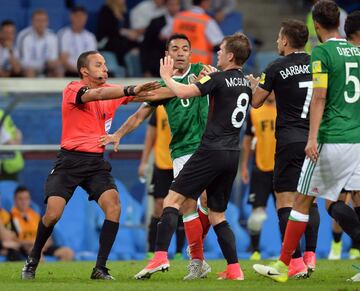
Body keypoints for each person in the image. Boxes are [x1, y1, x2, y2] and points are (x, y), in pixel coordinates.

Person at [20, 50, 160, 280]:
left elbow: (151, 94)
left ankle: (100, 268)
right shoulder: (73, 89)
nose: (105, 68)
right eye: (98, 64)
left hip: (95, 163)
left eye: (105, 63)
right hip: (69, 161)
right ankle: (33, 258)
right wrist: (131, 89)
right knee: (53, 214)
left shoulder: (111, 91)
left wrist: (181, 86)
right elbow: (97, 95)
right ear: (85, 70)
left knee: (114, 206)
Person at [253, 0, 360, 283]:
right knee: (353, 201)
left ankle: (283, 265)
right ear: (338, 21)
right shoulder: (358, 53)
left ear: (315, 24)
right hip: (357, 139)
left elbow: (320, 96)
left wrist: (313, 137)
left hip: (332, 137)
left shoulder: (321, 53)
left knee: (301, 200)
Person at [133, 32, 253, 281]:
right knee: (217, 214)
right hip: (233, 153)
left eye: (220, 50)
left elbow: (185, 93)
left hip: (209, 150)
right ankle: (234, 269)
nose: (216, 53)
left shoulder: (216, 78)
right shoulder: (244, 82)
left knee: (171, 201)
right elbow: (259, 100)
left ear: (230, 55)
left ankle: (160, 257)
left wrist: (166, 78)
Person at [100, 33, 214, 280]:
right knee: (188, 206)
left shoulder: (202, 72)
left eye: (185, 48)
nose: (181, 52)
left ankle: (192, 257)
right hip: (181, 150)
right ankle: (197, 260)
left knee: (207, 204)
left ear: (190, 53)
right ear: (168, 55)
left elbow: (218, 83)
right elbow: (140, 114)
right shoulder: (161, 84)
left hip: (207, 147)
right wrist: (118, 133)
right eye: (175, 48)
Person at [249, 19, 320, 278]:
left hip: (290, 141)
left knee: (285, 201)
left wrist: (253, 84)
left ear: (286, 41)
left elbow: (256, 103)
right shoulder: (318, 63)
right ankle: (310, 257)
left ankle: (295, 263)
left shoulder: (276, 66)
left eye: (279, 38)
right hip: (315, 139)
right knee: (310, 201)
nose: (278, 42)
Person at [139, 107, 185, 259]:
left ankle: (179, 252)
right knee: (158, 206)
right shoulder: (159, 108)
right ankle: (152, 250)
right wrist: (144, 162)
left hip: (181, 162)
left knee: (181, 207)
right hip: (161, 163)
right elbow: (150, 136)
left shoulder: (188, 103)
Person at [241, 94, 276, 261]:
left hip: (282, 169)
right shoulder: (255, 112)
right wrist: (244, 167)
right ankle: (254, 250)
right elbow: (247, 140)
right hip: (260, 168)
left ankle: (290, 251)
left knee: (286, 211)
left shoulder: (285, 108)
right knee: (257, 213)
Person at [10, 186, 74, 261]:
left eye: (26, 198)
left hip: (41, 246)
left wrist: (41, 246)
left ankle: (55, 272)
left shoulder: (36, 216)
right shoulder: (10, 217)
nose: (24, 202)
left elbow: (48, 237)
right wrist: (33, 244)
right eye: (20, 199)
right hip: (25, 248)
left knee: (68, 252)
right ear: (15, 200)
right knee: (37, 255)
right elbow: (11, 240)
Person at [170, 0, 223, 65]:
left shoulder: (179, 17)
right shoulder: (207, 21)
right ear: (204, 2)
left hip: (177, 64)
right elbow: (219, 43)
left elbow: (163, 35)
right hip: (197, 66)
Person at [140, 0, 181, 77]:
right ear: (166, 6)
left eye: (176, 4)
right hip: (157, 68)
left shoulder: (185, 22)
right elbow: (146, 46)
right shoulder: (156, 22)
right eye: (171, 4)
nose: (174, 7)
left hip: (180, 69)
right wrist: (146, 70)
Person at [16, 9, 62, 77]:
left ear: (47, 22)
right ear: (32, 22)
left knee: (59, 70)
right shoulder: (24, 36)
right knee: (30, 71)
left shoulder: (52, 36)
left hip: (47, 68)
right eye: (38, 20)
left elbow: (54, 59)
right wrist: (40, 65)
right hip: (29, 68)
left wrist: (51, 63)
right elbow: (23, 61)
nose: (41, 23)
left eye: (43, 21)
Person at [97, 0, 139, 66]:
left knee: (137, 45)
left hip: (121, 41)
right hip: (107, 41)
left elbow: (127, 30)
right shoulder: (106, 10)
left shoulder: (124, 12)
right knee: (120, 44)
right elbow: (108, 30)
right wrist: (126, 32)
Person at [58, 6, 97, 77]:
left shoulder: (90, 37)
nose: (80, 19)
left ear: (86, 18)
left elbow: (94, 59)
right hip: (70, 71)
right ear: (71, 17)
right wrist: (78, 71)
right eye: (77, 16)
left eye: (82, 16)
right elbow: (63, 59)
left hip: (87, 73)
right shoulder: (64, 34)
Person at [0, 110, 24, 181]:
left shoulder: (2, 114)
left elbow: (9, 141)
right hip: (9, 163)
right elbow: (18, 134)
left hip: (7, 164)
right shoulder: (2, 113)